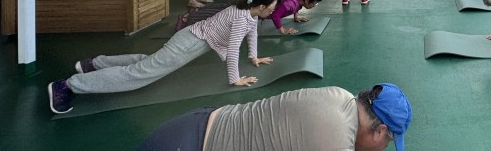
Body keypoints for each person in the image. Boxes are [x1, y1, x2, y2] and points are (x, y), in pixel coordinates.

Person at [48, 0, 280, 115]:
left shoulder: (247, 12)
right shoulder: (241, 18)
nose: (271, 12)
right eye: (270, 9)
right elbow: (232, 48)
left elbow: (253, 33)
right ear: (260, 6)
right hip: (188, 44)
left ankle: (94, 64)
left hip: (189, 40)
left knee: (147, 62)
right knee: (139, 74)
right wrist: (235, 79)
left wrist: (254, 56)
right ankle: (69, 85)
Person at [138, 82, 412, 151]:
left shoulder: (341, 96)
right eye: (389, 142)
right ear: (379, 131)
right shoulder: (336, 139)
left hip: (193, 123)